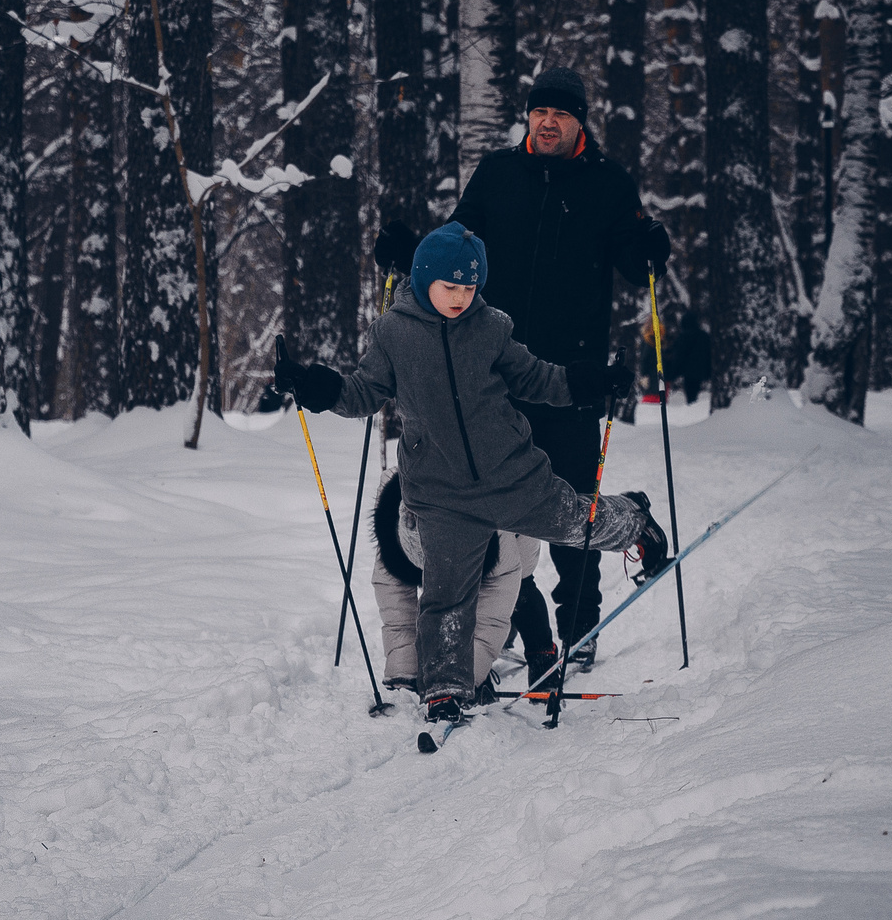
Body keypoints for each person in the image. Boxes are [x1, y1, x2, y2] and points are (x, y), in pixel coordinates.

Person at [276, 222, 668, 726]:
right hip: (439, 494)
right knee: (446, 591)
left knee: (577, 524)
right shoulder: (392, 333)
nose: (461, 298)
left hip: (513, 473)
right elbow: (363, 392)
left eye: (469, 288)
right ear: (422, 280)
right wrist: (315, 386)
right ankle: (443, 689)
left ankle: (635, 521)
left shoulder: (491, 327)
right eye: (450, 287)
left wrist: (583, 381)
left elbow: (535, 377)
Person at [377, 68, 669, 670]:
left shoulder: (609, 184)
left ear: (579, 122)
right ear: (528, 117)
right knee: (489, 505)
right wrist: (411, 253)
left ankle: (580, 629)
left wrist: (648, 249)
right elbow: (457, 242)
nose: (548, 123)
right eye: (540, 113)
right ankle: (517, 618)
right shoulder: (498, 174)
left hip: (568, 373)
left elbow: (629, 257)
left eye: (561, 115)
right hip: (494, 370)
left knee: (568, 502)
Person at [366, 470, 557, 700]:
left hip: (512, 515)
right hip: (451, 531)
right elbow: (397, 615)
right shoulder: (392, 524)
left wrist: (465, 678)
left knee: (519, 591)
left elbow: (492, 613)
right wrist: (403, 677)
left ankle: (542, 655)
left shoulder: (493, 521)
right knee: (443, 600)